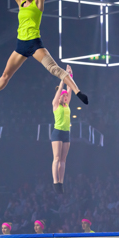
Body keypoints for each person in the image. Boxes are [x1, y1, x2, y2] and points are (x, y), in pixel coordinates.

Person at [51, 66, 74, 194]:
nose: (65, 96)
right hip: (57, 132)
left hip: (66, 133)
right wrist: (62, 78)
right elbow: (62, 89)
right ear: (60, 97)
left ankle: (61, 182)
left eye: (66, 96)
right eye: (63, 96)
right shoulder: (56, 105)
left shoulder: (67, 105)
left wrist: (70, 75)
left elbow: (70, 88)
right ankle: (55, 181)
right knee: (57, 157)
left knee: (64, 159)